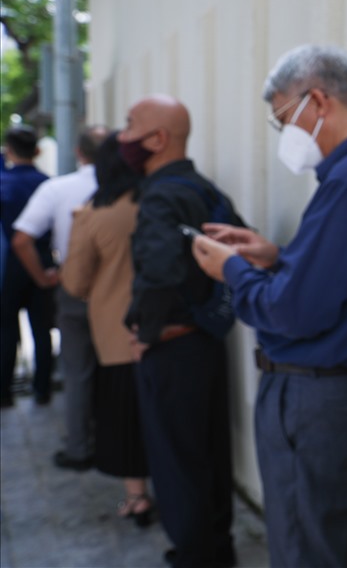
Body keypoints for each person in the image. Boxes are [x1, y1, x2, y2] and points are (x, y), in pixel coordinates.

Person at [191, 44, 347, 567]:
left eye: (283, 118)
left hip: (315, 395)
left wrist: (228, 268)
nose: (285, 135)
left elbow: (293, 312)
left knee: (308, 549)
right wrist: (275, 255)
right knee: (335, 542)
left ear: (317, 100)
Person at [118, 94, 241, 568]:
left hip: (172, 350)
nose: (121, 138)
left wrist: (146, 334)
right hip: (206, 346)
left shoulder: (161, 196)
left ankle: (195, 557)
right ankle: (217, 551)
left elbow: (159, 273)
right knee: (209, 458)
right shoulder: (206, 189)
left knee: (177, 467)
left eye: (129, 126)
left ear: (157, 139)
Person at [60, 133, 153, 527]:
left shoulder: (93, 214)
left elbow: (75, 282)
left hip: (115, 334)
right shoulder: (156, 201)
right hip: (167, 328)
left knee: (126, 419)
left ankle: (137, 497)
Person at [10, 125, 106, 469]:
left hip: (75, 288)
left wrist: (44, 277)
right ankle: (120, 445)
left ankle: (81, 447)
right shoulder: (132, 189)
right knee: (120, 370)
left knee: (78, 371)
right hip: (121, 291)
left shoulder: (59, 188)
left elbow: (21, 239)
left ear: (79, 153)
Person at [0, 126, 55, 408]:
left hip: (10, 263)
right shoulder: (47, 183)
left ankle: (5, 391)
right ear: (37, 150)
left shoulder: (3, 182)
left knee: (7, 329)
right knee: (42, 328)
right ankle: (42, 388)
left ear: (9, 150)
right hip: (43, 259)